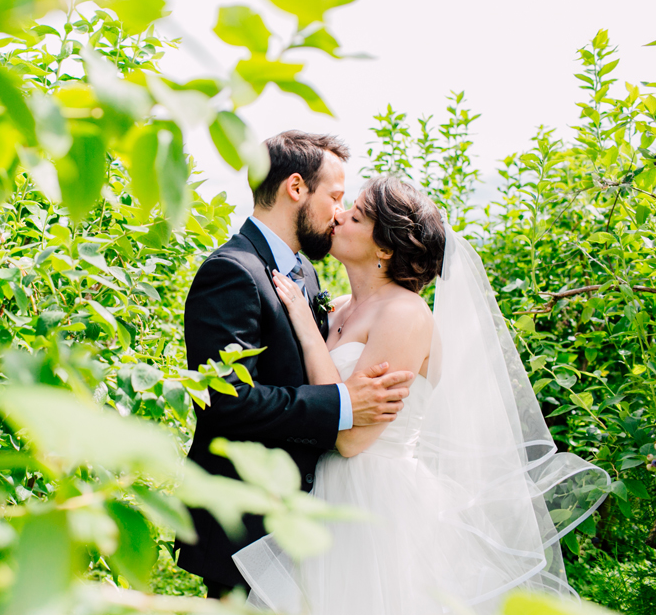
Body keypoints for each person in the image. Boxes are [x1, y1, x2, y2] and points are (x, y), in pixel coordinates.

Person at [232, 176, 610, 614]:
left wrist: (303, 325)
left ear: (385, 250)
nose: (338, 216)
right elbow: (330, 398)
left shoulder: (405, 314)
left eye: (354, 216)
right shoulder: (335, 306)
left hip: (377, 502)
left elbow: (353, 438)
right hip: (323, 495)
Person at [177, 131, 417, 598]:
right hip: (244, 524)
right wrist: (342, 405)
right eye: (334, 196)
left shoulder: (304, 272)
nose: (339, 213)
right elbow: (224, 399)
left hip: (308, 523)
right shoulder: (231, 271)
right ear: (295, 188)